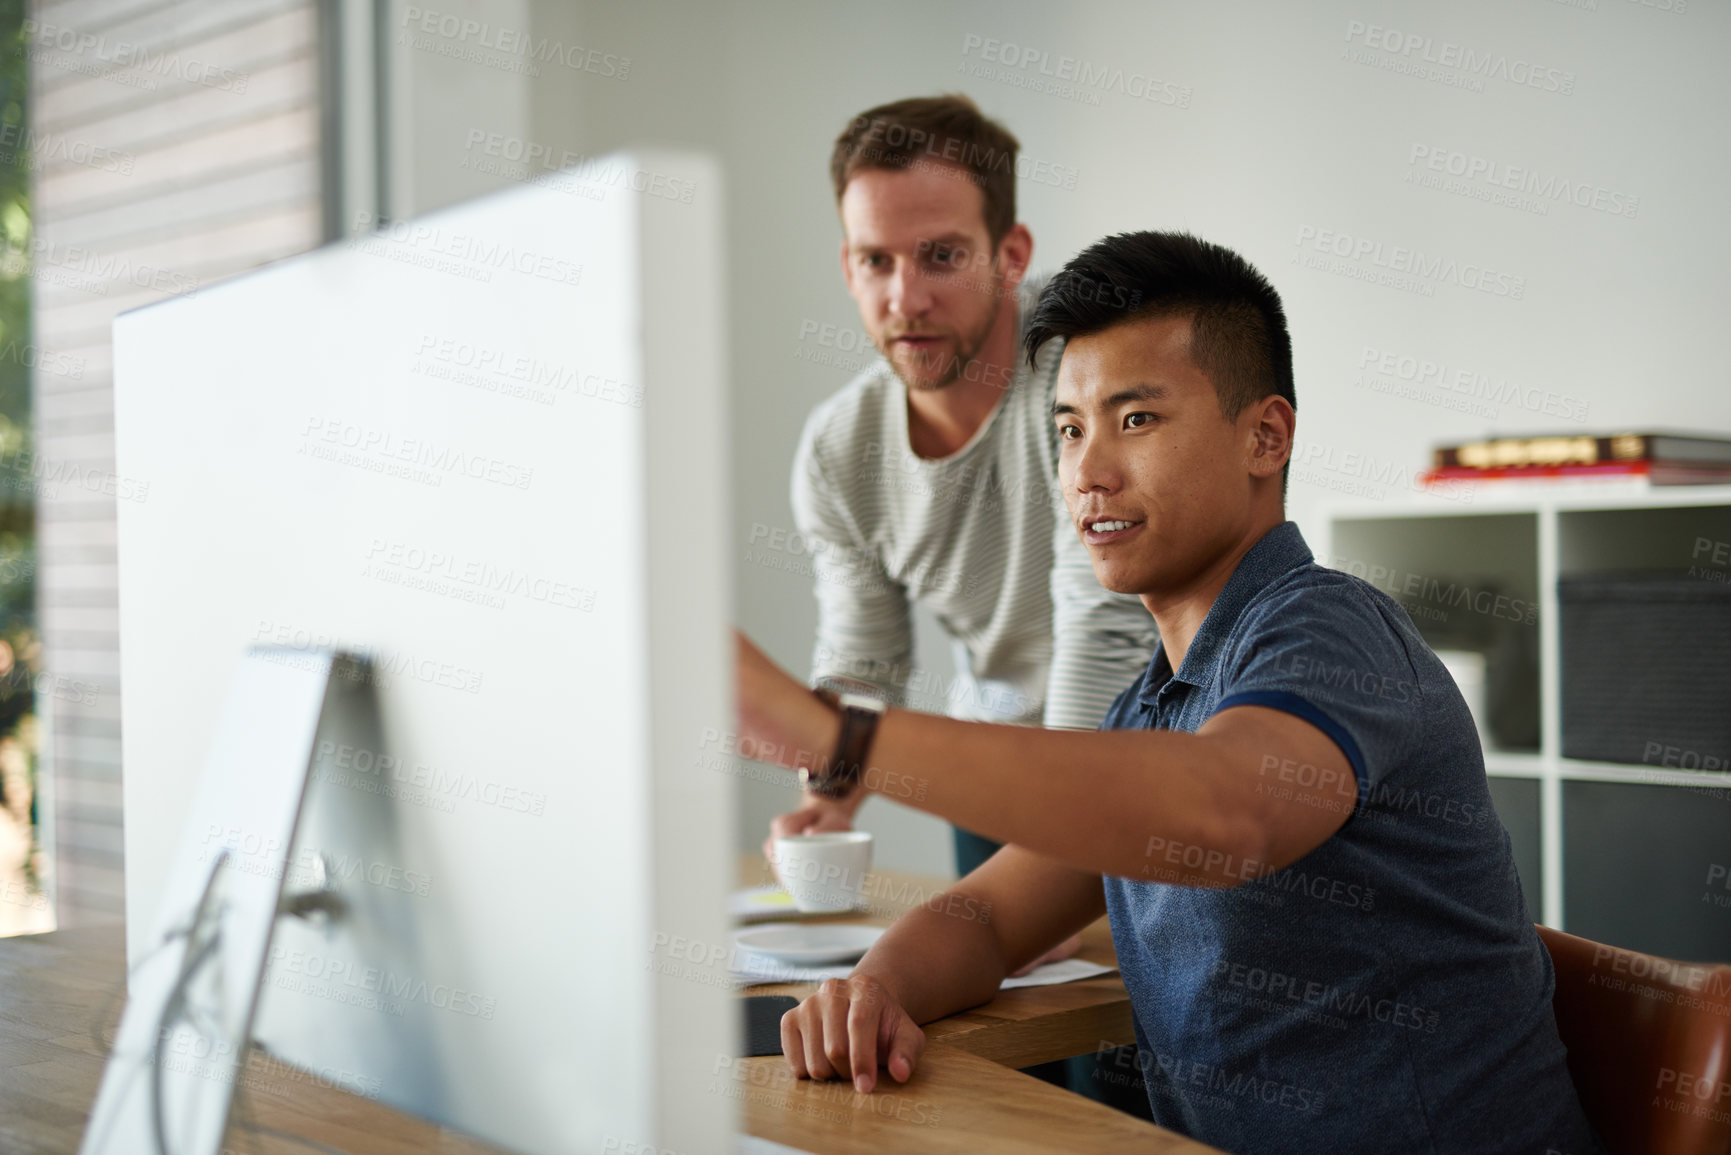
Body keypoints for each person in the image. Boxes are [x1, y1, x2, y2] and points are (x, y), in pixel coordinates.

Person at [734, 231, 1603, 1155]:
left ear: (1265, 436)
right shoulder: (1150, 703)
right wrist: (875, 987)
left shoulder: (1329, 629)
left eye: (1135, 419)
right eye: (1068, 428)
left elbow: (1225, 815)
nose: (1087, 470)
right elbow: (986, 915)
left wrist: (843, 736)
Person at [768, 94, 1157, 892]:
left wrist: (1058, 851)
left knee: (1131, 1008)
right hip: (997, 778)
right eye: (876, 260)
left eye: (940, 256)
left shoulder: (1082, 370)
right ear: (847, 266)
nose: (904, 299)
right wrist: (829, 792)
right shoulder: (840, 448)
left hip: (1144, 760)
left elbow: (1103, 626)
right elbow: (862, 655)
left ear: (1010, 254)